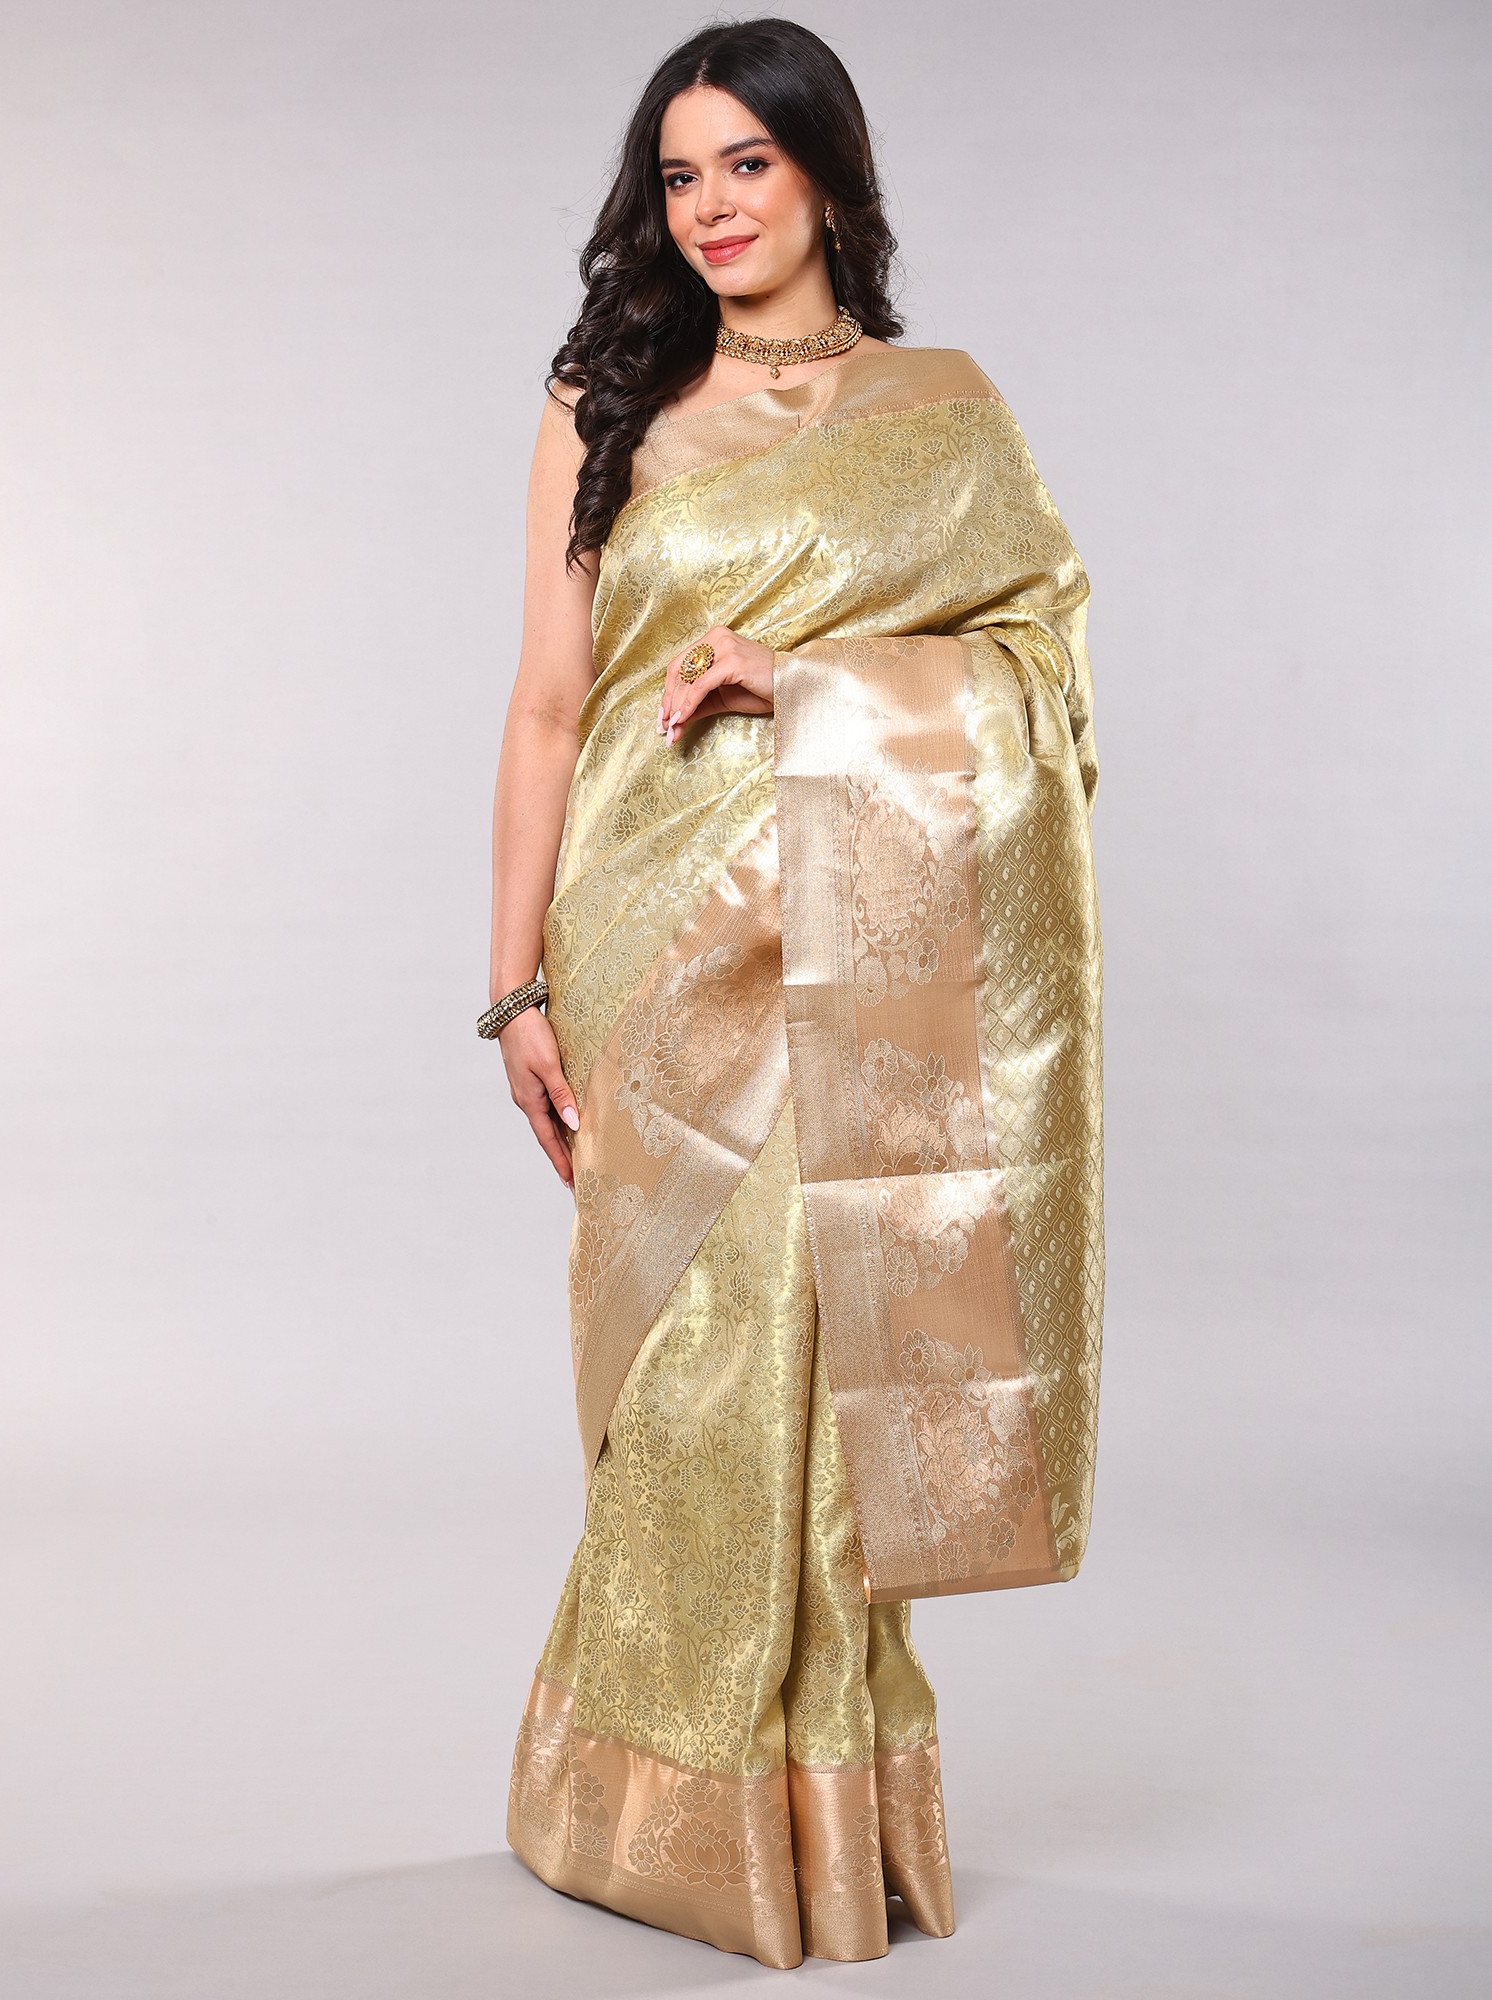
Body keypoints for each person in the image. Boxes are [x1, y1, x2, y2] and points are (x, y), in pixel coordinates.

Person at [485, 16, 1104, 1971]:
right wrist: (512, 987)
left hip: (863, 932)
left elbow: (1046, 680)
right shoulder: (607, 401)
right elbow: (549, 706)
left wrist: (813, 683)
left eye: (745, 162)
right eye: (678, 176)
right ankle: (646, 1803)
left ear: (828, 171)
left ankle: (817, 1816)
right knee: (693, 1367)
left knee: (835, 1366)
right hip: (656, 939)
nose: (712, 208)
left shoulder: (940, 410)